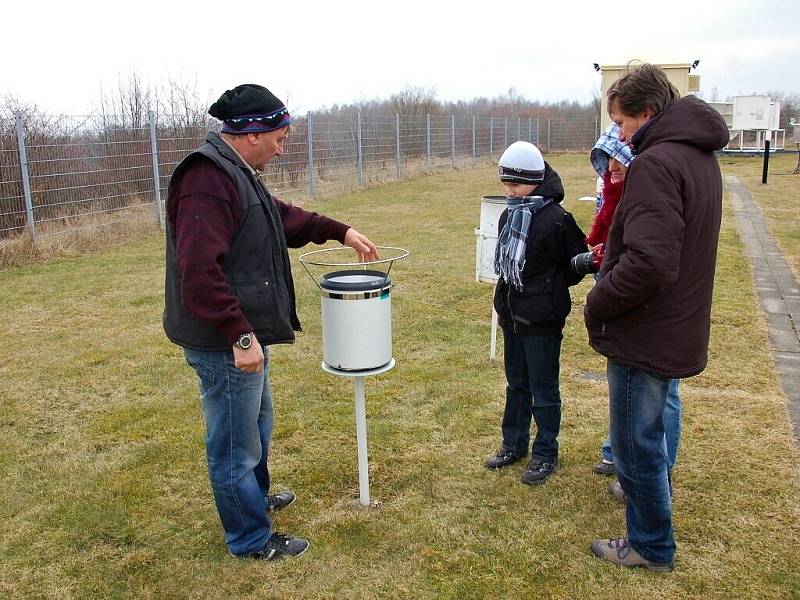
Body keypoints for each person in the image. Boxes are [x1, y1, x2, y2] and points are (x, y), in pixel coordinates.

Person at [163, 84, 378, 561]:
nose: (282, 148)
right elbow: (198, 272)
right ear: (253, 133)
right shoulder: (207, 178)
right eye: (279, 138)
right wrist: (239, 335)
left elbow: (278, 217)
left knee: (257, 427)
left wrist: (337, 230)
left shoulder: (236, 173)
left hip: (240, 336)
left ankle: (254, 499)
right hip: (224, 341)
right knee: (235, 446)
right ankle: (250, 539)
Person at [584, 64, 729, 571]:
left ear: (647, 114)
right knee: (650, 435)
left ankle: (649, 545)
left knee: (635, 444)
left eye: (622, 124)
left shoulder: (657, 164)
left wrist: (598, 303)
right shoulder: (699, 158)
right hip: (673, 323)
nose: (620, 135)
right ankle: (651, 531)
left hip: (645, 331)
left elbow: (651, 262)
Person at [585, 125, 682, 506]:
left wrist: (604, 296)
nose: (610, 172)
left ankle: (657, 471)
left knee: (661, 391)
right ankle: (620, 453)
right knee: (627, 388)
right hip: (625, 302)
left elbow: (648, 261)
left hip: (649, 309)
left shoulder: (652, 192)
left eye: (618, 168)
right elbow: (605, 233)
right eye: (606, 165)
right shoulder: (613, 192)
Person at [484, 141, 587, 486]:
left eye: (515, 184)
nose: (509, 191)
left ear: (534, 180)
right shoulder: (508, 214)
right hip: (512, 315)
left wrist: (546, 291)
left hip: (542, 321)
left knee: (544, 390)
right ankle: (513, 443)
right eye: (506, 184)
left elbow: (574, 266)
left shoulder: (558, 220)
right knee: (517, 385)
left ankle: (546, 453)